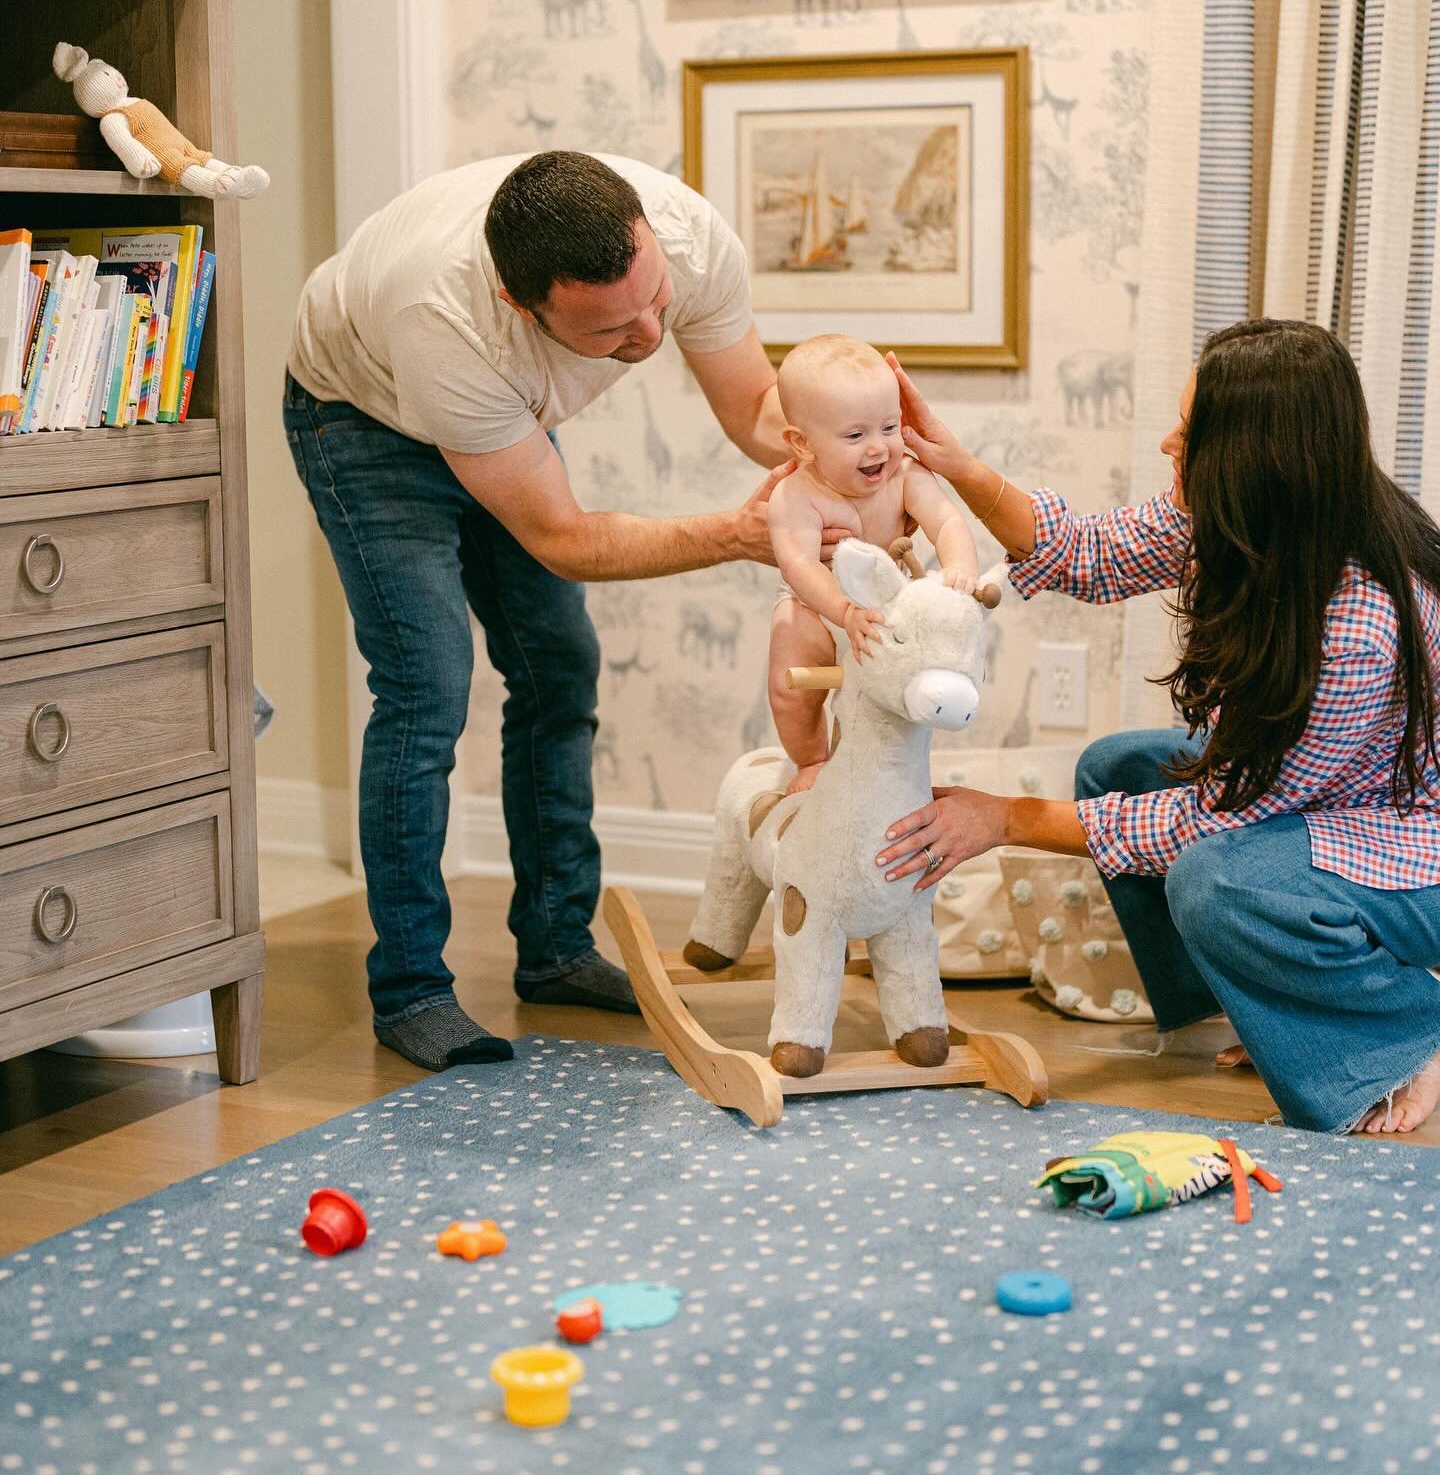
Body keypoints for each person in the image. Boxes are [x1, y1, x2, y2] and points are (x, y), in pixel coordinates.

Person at [286, 151, 839, 1074]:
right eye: (612, 330)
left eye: (655, 299)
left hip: (496, 418)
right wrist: (739, 534)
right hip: (362, 418)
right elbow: (564, 538)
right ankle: (412, 987)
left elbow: (755, 409)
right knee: (428, 688)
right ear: (522, 306)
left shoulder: (688, 236)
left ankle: (554, 948)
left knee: (558, 667)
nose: (651, 334)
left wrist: (858, 453)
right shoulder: (450, 325)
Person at [874, 325, 1440, 1136]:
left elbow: (1216, 822)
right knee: (1118, 768)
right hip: (1341, 807)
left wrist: (1004, 818)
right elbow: (1086, 551)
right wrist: (957, 465)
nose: (1169, 441)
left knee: (1215, 880)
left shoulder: (1356, 622)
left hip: (1417, 851)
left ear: (1253, 454)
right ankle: (1263, 1009)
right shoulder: (1254, 513)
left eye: (1190, 428)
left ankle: (1406, 1036)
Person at [765, 337, 978, 794]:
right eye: (856, 435)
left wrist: (958, 567)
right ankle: (811, 761)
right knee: (791, 682)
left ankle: (876, 772)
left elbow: (947, 521)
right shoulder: (796, 494)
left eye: (888, 427)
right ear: (802, 444)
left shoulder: (907, 475)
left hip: (887, 607)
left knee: (885, 699)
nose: (879, 447)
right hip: (816, 604)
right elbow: (797, 563)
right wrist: (842, 612)